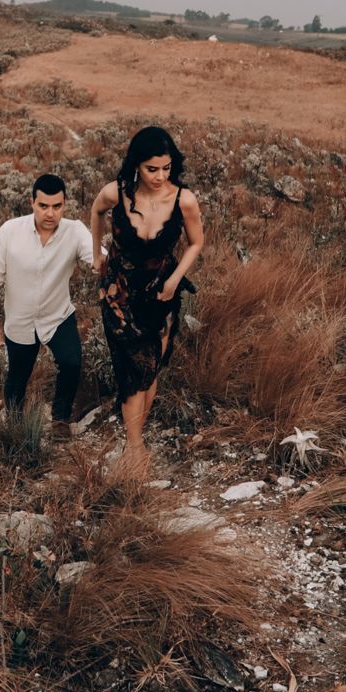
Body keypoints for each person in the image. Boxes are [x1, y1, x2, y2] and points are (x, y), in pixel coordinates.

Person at [90, 126, 205, 475]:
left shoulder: (184, 199)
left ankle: (135, 434)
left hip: (160, 292)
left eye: (166, 168)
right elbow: (95, 212)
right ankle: (135, 446)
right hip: (118, 292)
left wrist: (173, 281)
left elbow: (196, 243)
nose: (160, 176)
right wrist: (97, 254)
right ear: (136, 165)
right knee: (130, 366)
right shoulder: (116, 193)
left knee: (150, 365)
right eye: (151, 169)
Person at [0, 173, 97, 432]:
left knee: (71, 363)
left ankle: (60, 419)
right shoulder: (10, 231)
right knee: (18, 378)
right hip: (20, 321)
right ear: (32, 202)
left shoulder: (74, 231)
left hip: (58, 315)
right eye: (43, 206)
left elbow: (97, 259)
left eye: (57, 206)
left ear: (65, 204)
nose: (50, 213)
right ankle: (15, 424)